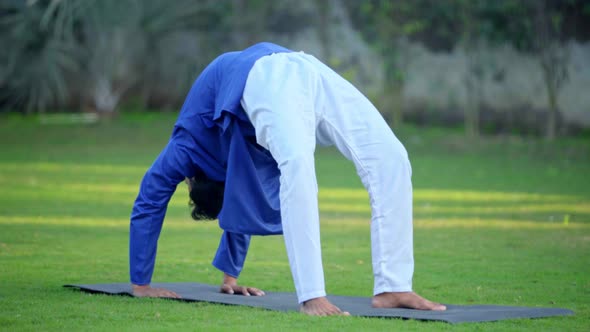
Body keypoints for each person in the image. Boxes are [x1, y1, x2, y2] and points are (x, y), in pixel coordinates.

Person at [129, 42, 446, 316]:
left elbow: (151, 196)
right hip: (291, 73)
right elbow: (238, 204)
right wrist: (229, 280)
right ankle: (313, 294)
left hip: (275, 72)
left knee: (390, 157)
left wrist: (141, 283)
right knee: (302, 166)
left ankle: (393, 286)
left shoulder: (188, 146)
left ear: (191, 180)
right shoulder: (228, 171)